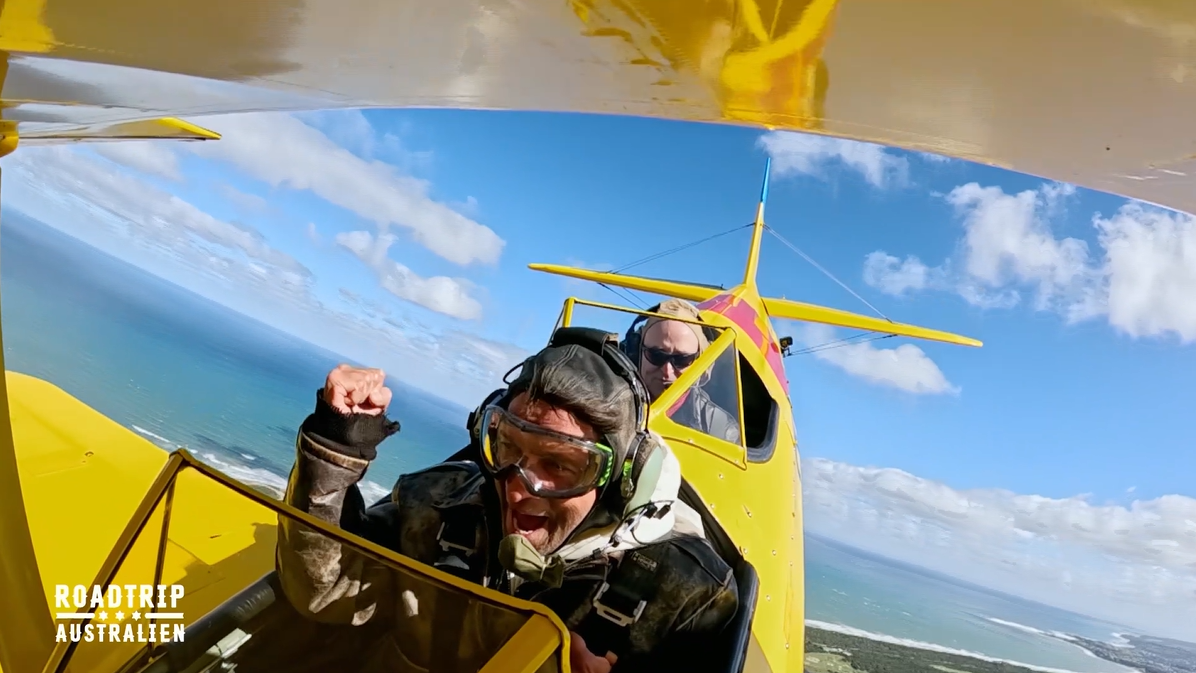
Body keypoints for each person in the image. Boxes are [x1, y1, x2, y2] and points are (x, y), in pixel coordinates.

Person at [275, 327, 738, 673]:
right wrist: (336, 443)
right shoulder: (434, 505)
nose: (518, 486)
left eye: (559, 465)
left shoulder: (687, 596)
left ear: (622, 479)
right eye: (508, 447)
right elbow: (326, 593)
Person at [622, 299, 740, 445]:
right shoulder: (610, 401)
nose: (667, 371)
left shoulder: (719, 429)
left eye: (682, 359)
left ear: (701, 362)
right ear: (636, 353)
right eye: (656, 355)